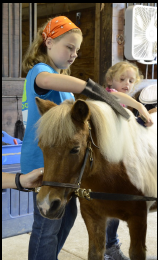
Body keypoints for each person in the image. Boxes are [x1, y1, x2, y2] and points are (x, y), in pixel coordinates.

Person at [21, 16, 153, 260]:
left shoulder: (62, 81)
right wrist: (98, 91)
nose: (74, 54)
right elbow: (59, 84)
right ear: (48, 43)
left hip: (65, 167)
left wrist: (129, 103)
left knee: (66, 218)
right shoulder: (41, 72)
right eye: (69, 47)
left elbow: (95, 101)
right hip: (47, 164)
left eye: (77, 50)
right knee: (47, 227)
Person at [104, 60, 153, 260]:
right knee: (109, 210)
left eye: (131, 80)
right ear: (111, 81)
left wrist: (145, 116)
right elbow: (115, 96)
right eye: (122, 79)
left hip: (123, 162)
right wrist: (139, 105)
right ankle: (109, 246)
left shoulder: (127, 104)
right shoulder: (108, 96)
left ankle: (111, 245)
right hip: (108, 163)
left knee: (117, 210)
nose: (127, 83)